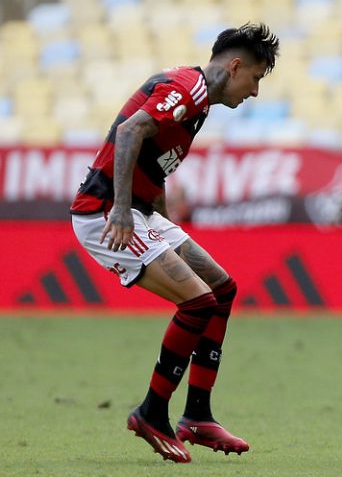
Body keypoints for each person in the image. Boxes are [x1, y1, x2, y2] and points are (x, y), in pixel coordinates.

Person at [70, 23, 280, 463]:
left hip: (140, 211)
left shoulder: (198, 101)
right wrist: (124, 210)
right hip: (106, 211)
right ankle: (152, 413)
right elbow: (130, 132)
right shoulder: (189, 88)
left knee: (222, 290)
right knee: (198, 302)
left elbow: (154, 157)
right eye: (257, 77)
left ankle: (198, 416)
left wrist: (162, 222)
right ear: (236, 65)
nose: (255, 92)